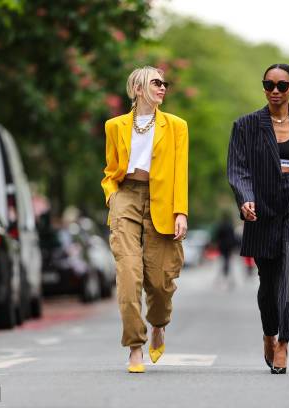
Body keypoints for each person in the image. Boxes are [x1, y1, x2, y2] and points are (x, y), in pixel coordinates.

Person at [227, 63, 289, 374]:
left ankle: (284, 342)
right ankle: (269, 333)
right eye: (269, 84)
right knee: (269, 284)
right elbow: (238, 169)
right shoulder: (245, 126)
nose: (274, 90)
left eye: (281, 85)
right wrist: (246, 200)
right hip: (263, 209)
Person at [101, 66, 189, 374]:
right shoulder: (114, 126)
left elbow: (180, 172)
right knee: (128, 274)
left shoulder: (177, 126)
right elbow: (111, 169)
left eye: (164, 83)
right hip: (126, 196)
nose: (163, 88)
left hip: (162, 200)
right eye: (156, 83)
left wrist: (181, 211)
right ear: (138, 89)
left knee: (161, 282)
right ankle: (134, 346)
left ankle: (159, 324)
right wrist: (112, 195)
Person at [213, 211, 238, 286]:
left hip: (222, 246)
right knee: (228, 261)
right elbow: (233, 236)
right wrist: (234, 245)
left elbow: (217, 236)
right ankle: (227, 276)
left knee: (223, 261)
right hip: (229, 246)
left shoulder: (220, 225)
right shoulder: (230, 225)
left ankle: (223, 275)